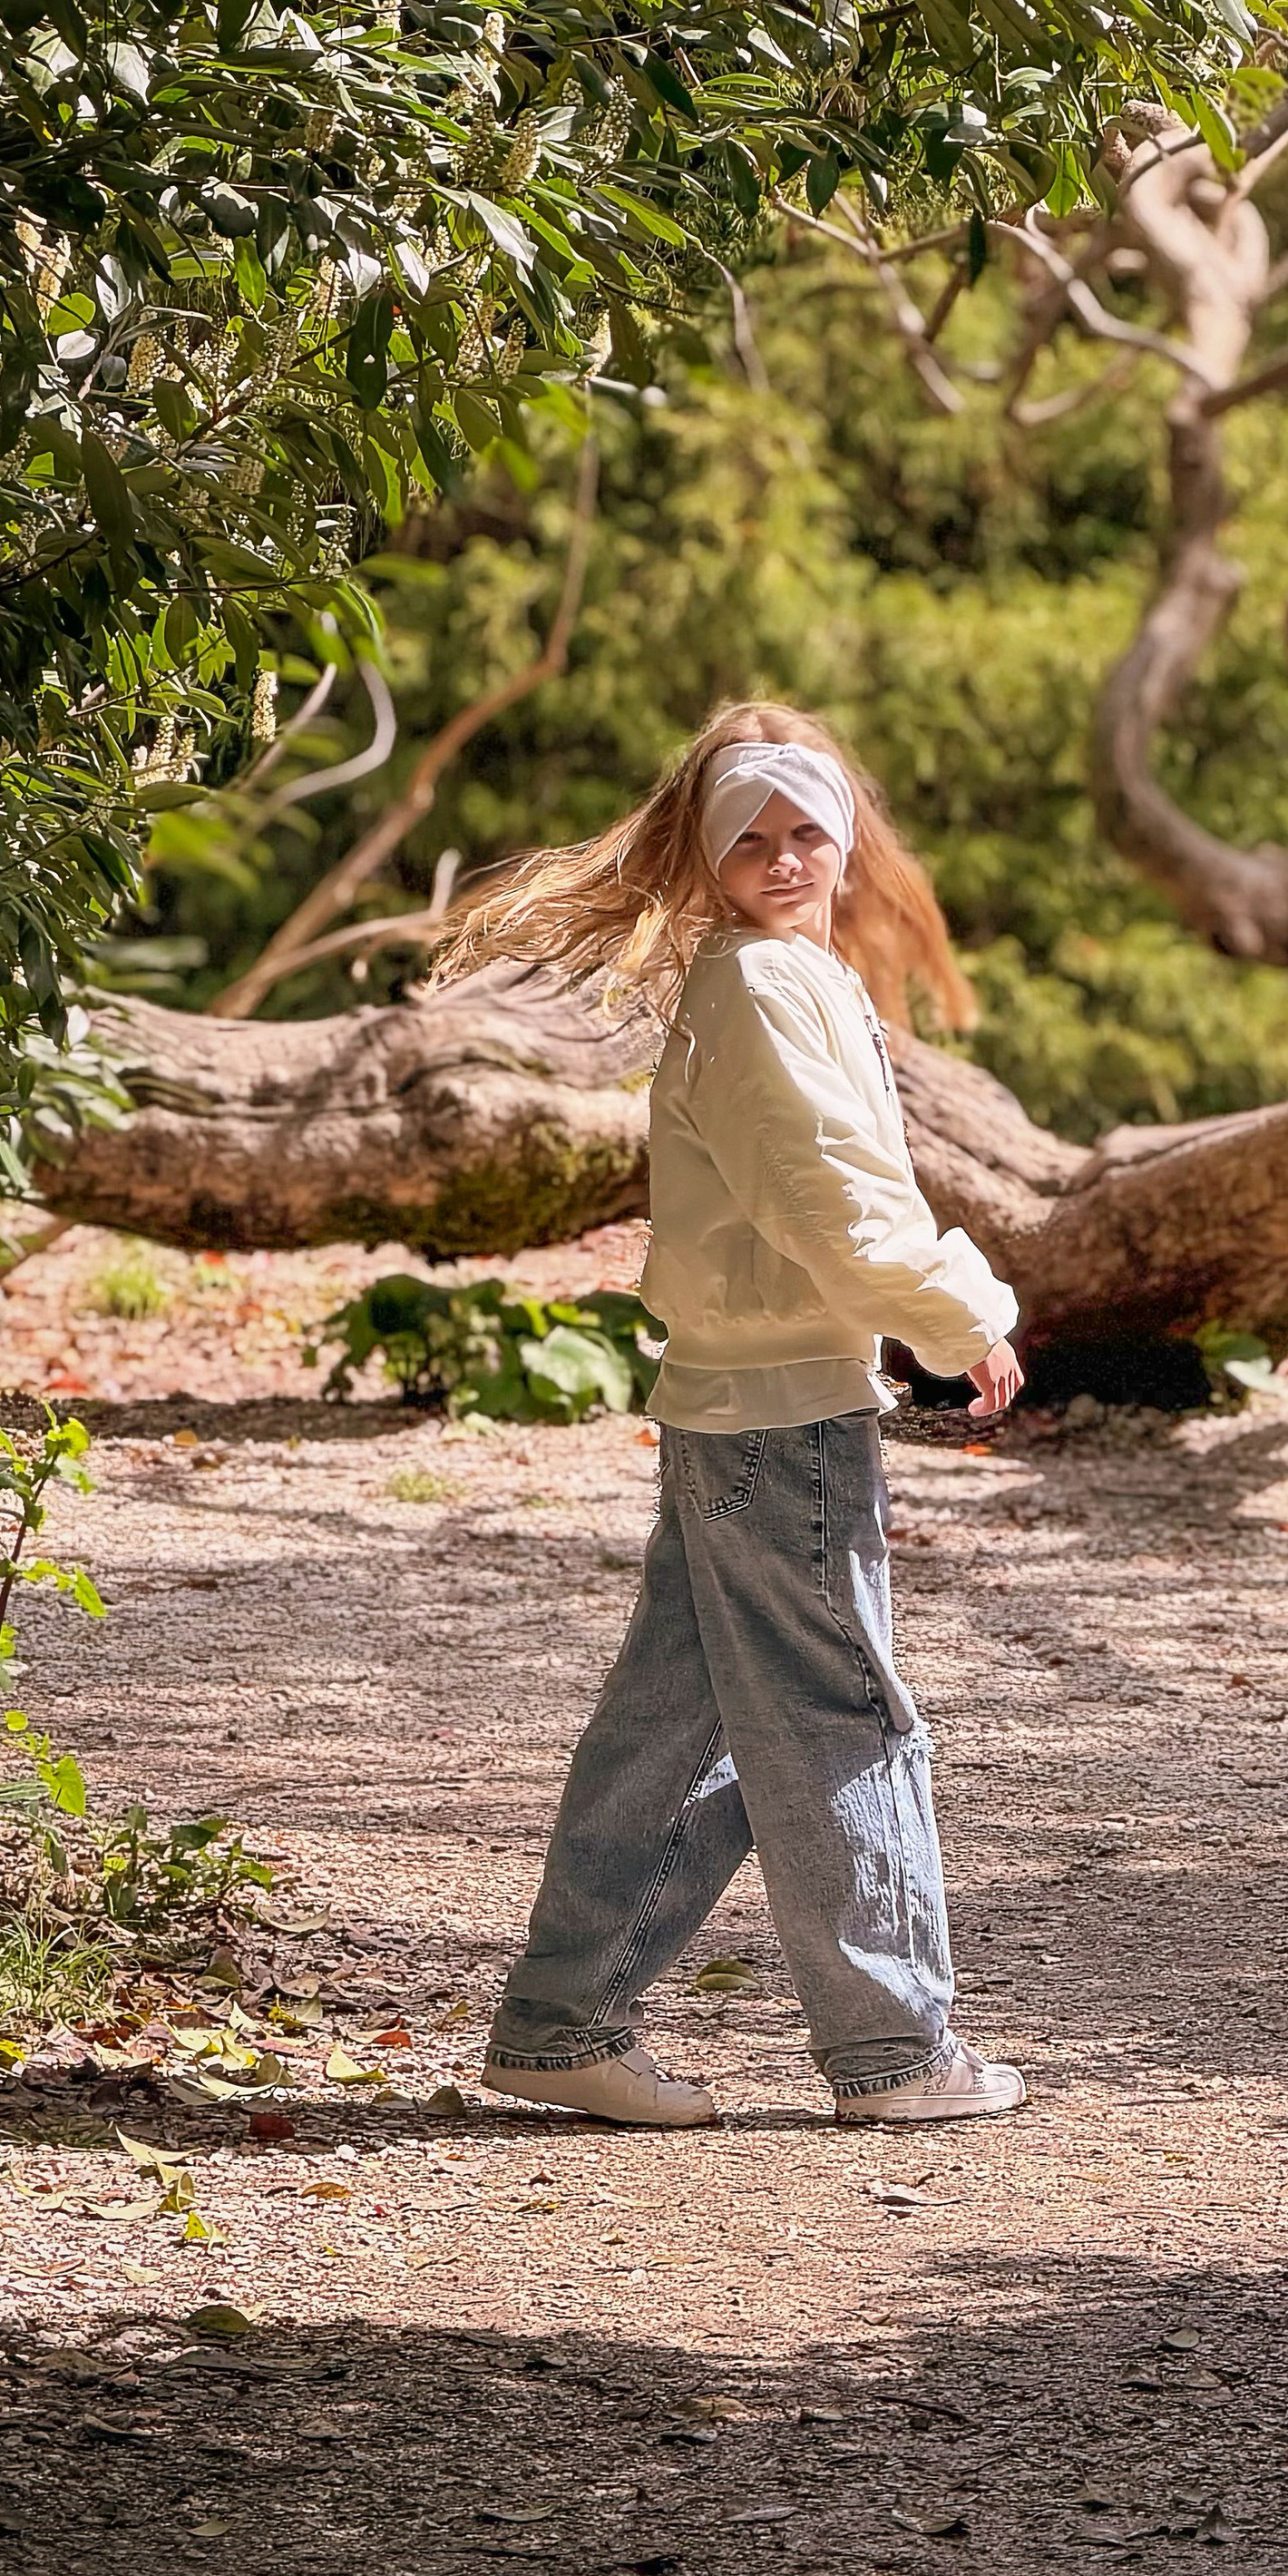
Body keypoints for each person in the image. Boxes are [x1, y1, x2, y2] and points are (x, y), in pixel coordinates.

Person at [430, 703, 1028, 2128]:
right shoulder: (763, 985)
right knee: (840, 1714)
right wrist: (958, 1317)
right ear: (708, 859)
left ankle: (562, 2023)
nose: (783, 858)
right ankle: (894, 2054)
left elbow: (824, 1185)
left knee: (676, 1728)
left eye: (807, 832)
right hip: (777, 1411)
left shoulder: (777, 976)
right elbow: (827, 1195)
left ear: (847, 843)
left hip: (742, 1398)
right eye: (749, 839)